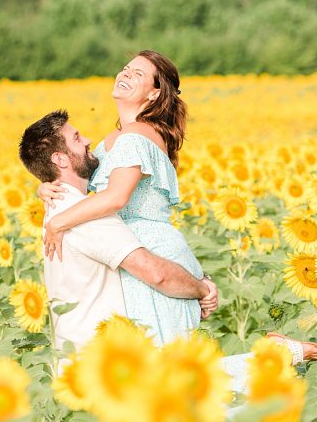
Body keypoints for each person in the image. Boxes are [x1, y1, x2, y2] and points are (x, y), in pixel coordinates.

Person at [34, 50, 317, 366]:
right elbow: (79, 175)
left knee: (171, 375)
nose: (126, 74)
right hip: (131, 258)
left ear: (155, 92)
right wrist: (43, 186)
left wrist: (58, 222)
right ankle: (277, 355)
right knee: (164, 375)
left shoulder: (137, 134)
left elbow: (116, 198)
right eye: (126, 68)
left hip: (152, 255)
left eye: (138, 74)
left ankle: (281, 357)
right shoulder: (115, 137)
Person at [18, 109, 218, 355]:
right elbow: (156, 274)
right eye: (77, 138)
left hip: (87, 359)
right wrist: (202, 289)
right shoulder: (82, 216)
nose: (89, 140)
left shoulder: (59, 206)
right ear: (60, 159)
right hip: (99, 363)